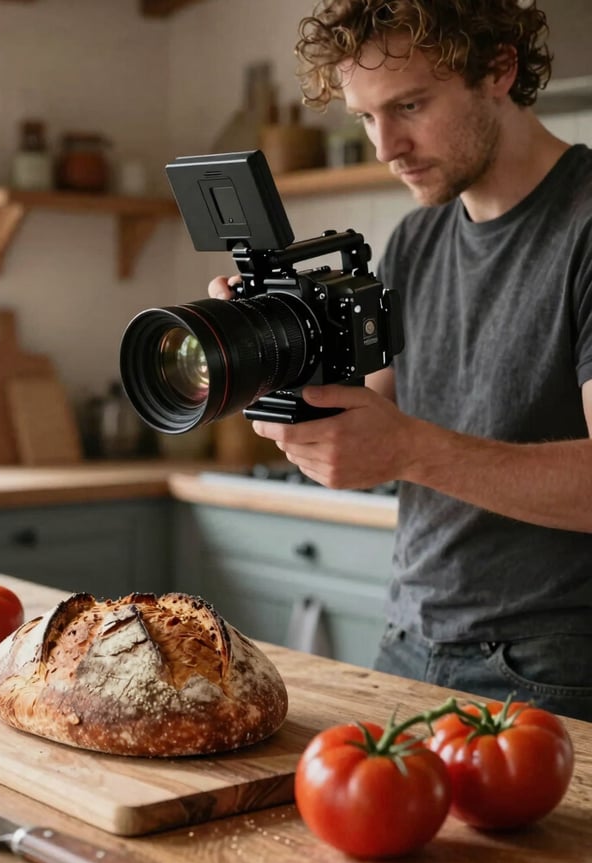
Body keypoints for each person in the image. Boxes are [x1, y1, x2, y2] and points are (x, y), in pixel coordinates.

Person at [208, 0, 592, 722]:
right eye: (364, 117)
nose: (386, 145)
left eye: (410, 104)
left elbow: (402, 445)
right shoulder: (417, 240)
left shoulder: (585, 226)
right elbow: (365, 412)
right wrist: (263, 340)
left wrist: (412, 450)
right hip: (409, 635)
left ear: (499, 71)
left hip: (551, 666)